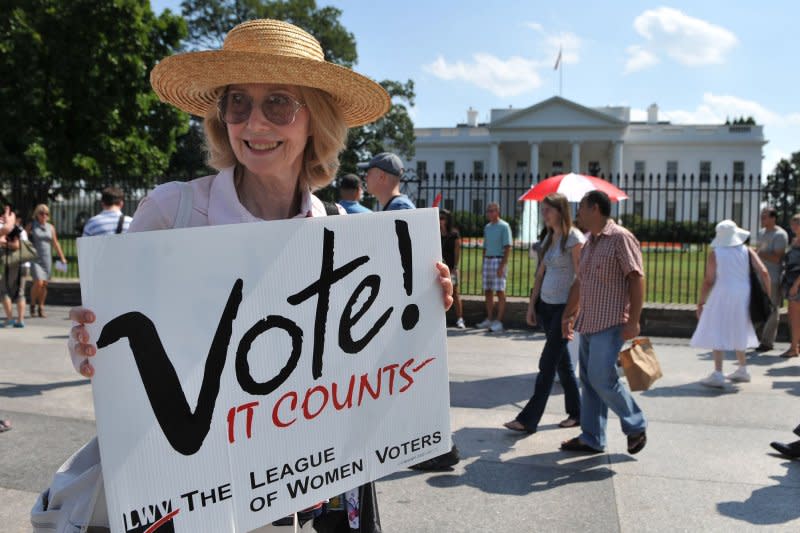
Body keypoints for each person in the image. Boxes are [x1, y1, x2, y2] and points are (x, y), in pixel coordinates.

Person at [65, 19, 454, 532]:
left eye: (278, 102)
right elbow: (121, 358)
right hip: (189, 500)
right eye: (237, 102)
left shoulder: (342, 231)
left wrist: (419, 311)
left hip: (305, 499)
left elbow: (363, 376)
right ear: (221, 115)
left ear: (314, 118)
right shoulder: (172, 212)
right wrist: (88, 344)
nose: (254, 123)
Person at [560, 190, 648, 455]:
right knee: (589, 381)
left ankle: (635, 425)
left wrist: (633, 321)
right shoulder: (590, 242)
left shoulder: (620, 238)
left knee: (602, 378)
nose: (578, 214)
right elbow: (580, 282)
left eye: (581, 208)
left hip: (611, 323)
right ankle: (592, 437)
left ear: (595, 209)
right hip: (589, 322)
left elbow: (636, 278)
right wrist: (568, 314)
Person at [503, 193, 583, 434]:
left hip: (562, 309)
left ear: (561, 210)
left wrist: (572, 312)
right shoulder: (550, 236)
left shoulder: (573, 238)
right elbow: (540, 275)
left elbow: (580, 277)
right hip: (546, 307)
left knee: (547, 364)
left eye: (548, 209)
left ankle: (528, 419)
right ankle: (577, 413)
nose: (543, 213)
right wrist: (531, 305)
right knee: (563, 365)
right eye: (542, 209)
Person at [691, 220, 770, 387]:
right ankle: (742, 369)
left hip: (723, 292)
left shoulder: (716, 253)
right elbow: (764, 272)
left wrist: (701, 302)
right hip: (743, 292)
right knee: (740, 326)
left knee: (717, 327)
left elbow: (708, 281)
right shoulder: (747, 251)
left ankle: (718, 373)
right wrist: (767, 295)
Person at [755, 207, 788, 352]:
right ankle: (756, 337)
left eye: (765, 217)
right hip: (759, 275)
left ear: (773, 218)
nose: (762, 219)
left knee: (773, 308)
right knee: (759, 307)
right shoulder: (761, 233)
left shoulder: (780, 235)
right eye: (761, 216)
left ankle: (767, 342)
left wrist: (759, 254)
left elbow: (777, 258)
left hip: (773, 277)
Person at [476, 202, 512, 333]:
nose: (490, 213)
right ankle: (490, 318)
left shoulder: (504, 226)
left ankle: (499, 321)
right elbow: (485, 247)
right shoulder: (487, 227)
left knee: (500, 291)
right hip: (488, 260)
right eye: (488, 211)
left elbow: (508, 247)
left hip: (498, 260)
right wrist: (483, 263)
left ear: (498, 212)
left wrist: (502, 265)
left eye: (492, 211)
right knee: (488, 290)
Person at [28, 204, 67, 318]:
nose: (44, 215)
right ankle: (32, 304)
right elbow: (23, 238)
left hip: (47, 258)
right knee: (38, 282)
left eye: (46, 213)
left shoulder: (51, 227)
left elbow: (55, 243)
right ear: (37, 214)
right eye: (41, 213)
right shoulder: (32, 225)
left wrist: (62, 257)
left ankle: (41, 306)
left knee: (44, 284)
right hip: (35, 258)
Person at [1, 215, 29, 328]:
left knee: (3, 290)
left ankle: (9, 318)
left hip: (15, 264)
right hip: (25, 264)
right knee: (20, 292)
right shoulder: (22, 230)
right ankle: (20, 320)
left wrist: (2, 243)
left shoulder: (14, 229)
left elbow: (16, 245)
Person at [440, 209, 465, 328]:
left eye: (443, 218)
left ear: (447, 220)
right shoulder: (435, 233)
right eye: (439, 218)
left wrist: (455, 267)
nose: (440, 221)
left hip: (451, 268)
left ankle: (460, 319)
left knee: (454, 293)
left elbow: (457, 251)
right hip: (439, 268)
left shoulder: (454, 234)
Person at [780, 214, 800, 358]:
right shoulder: (794, 240)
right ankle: (795, 346)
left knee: (794, 317)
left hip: (797, 283)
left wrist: (796, 285)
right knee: (793, 316)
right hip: (791, 280)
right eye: (792, 224)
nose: (792, 227)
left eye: (796, 224)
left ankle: (794, 347)